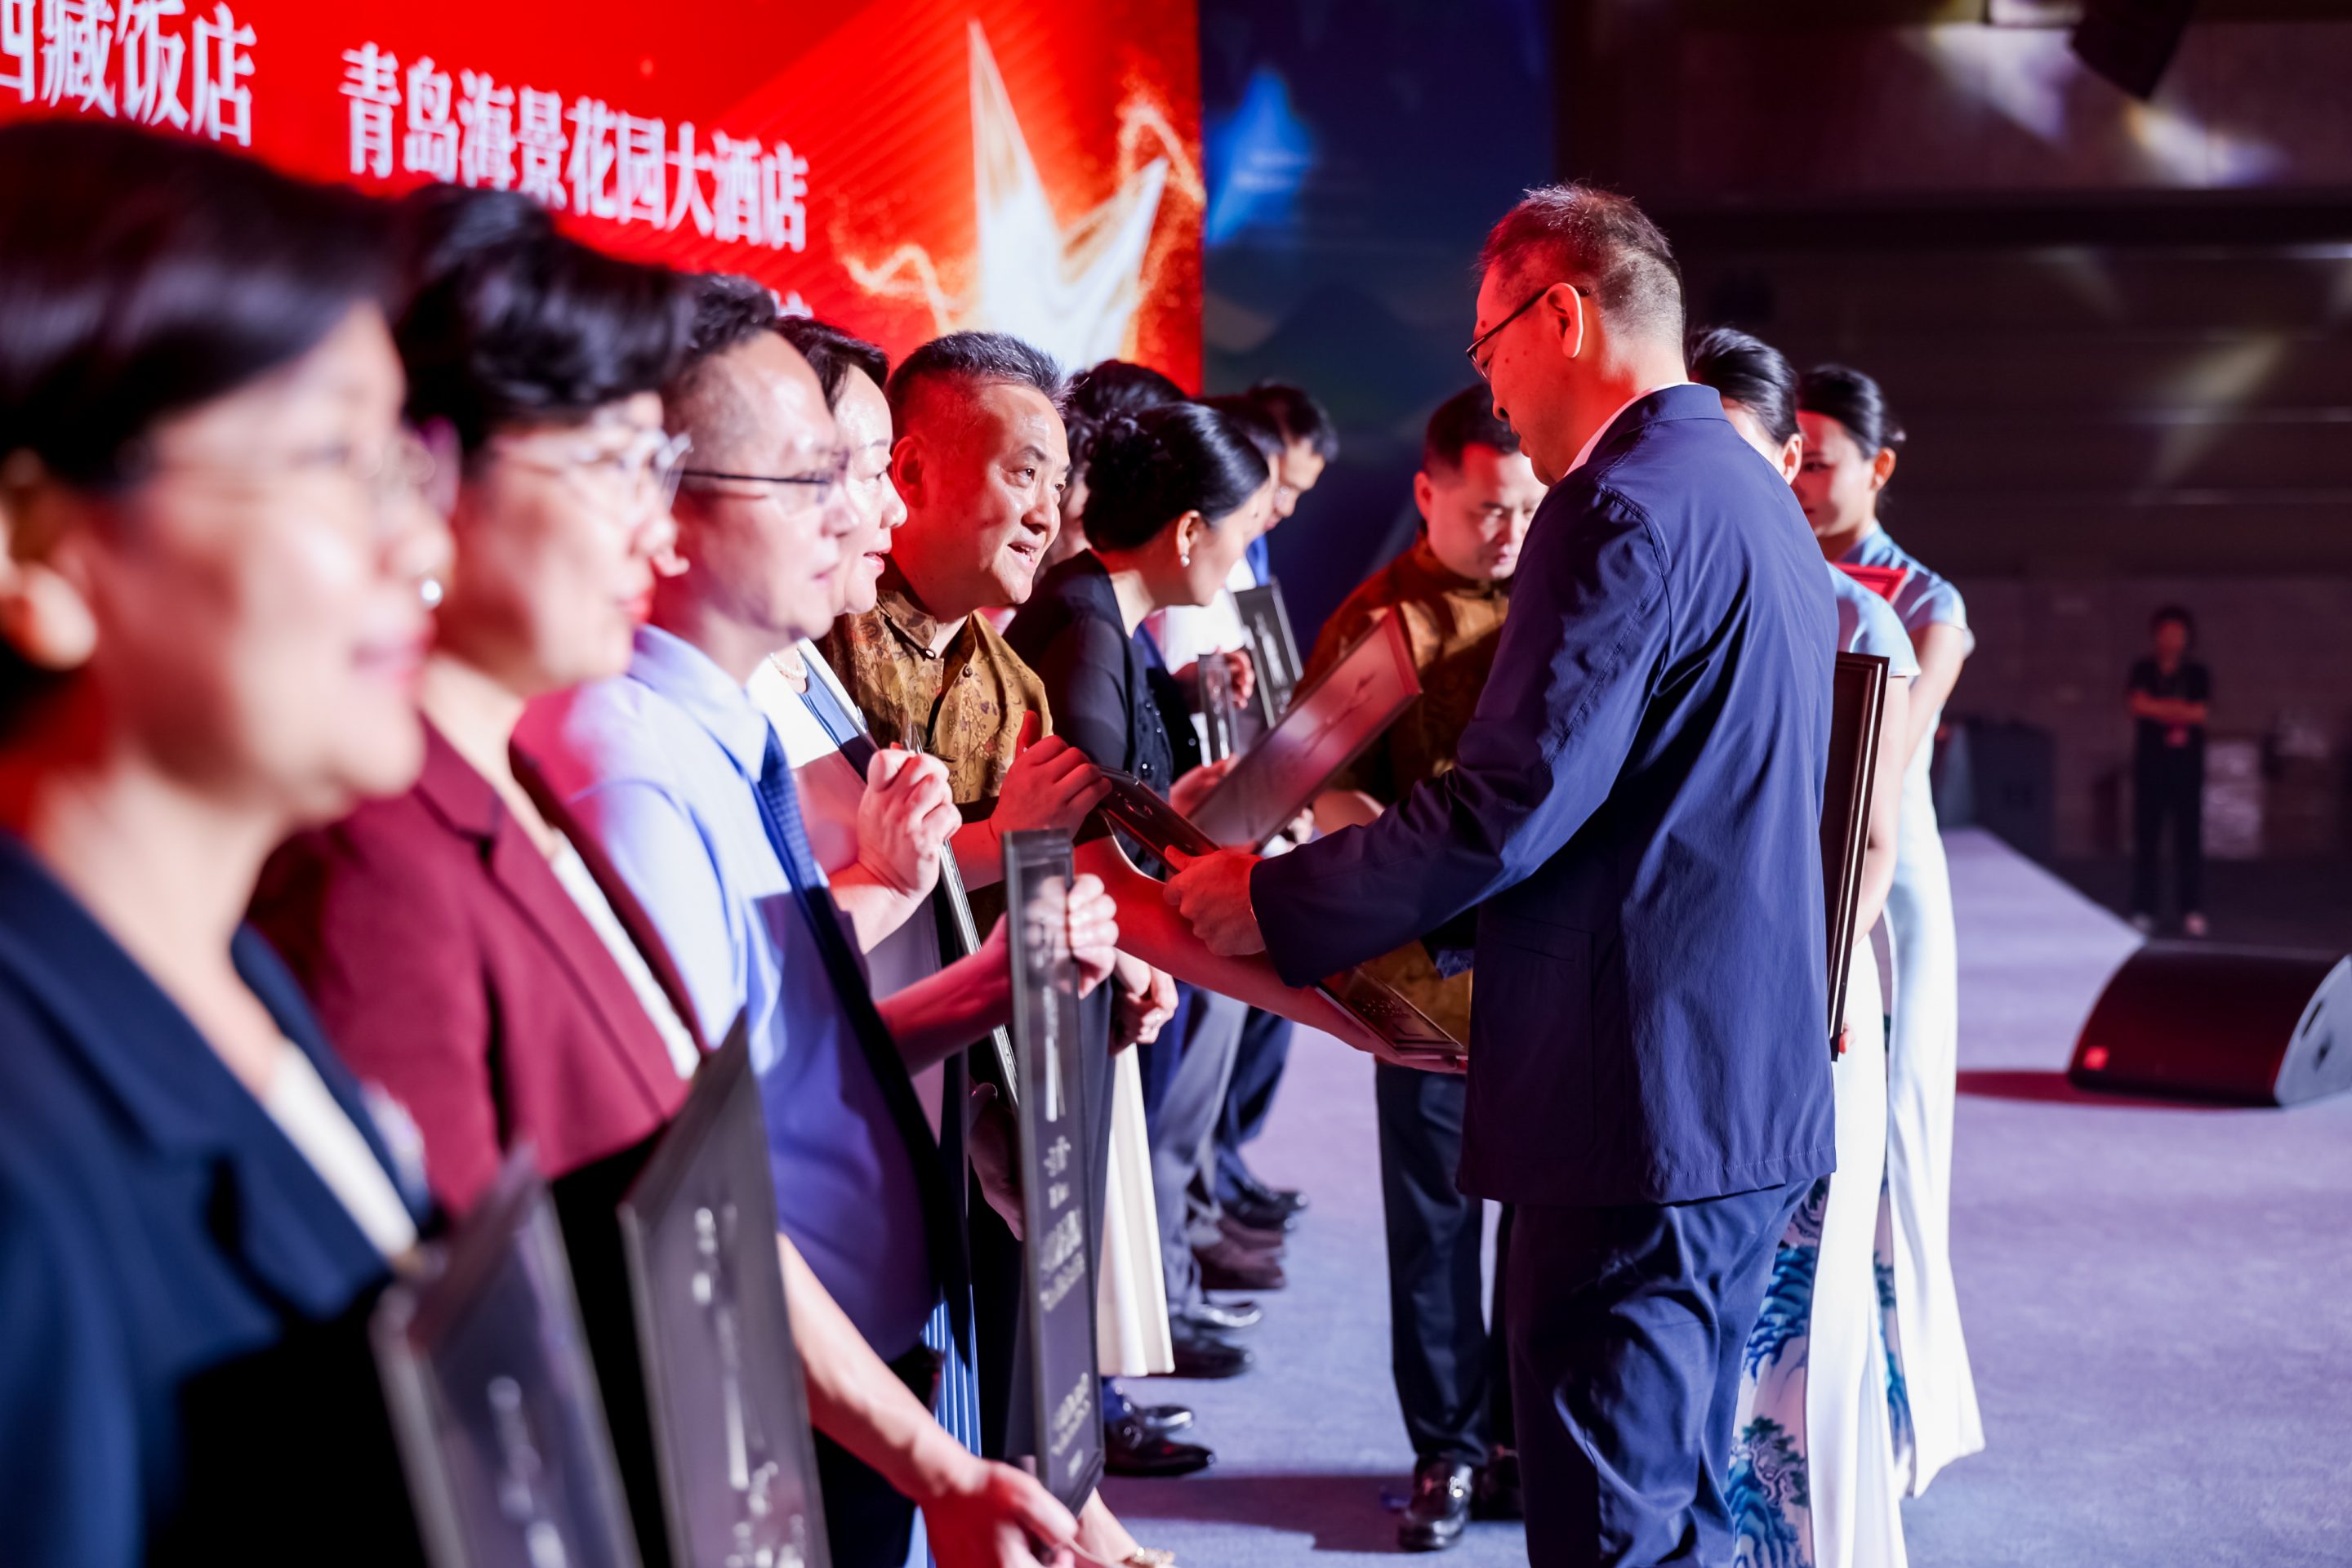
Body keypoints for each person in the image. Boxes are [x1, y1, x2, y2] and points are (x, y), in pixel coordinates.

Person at [1166, 184, 1838, 1568]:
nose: (1492, 387)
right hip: (1734, 1091)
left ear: (1565, 316)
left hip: (1634, 1104)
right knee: (1679, 1507)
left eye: (1490, 346)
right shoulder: (1751, 493)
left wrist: (1269, 898)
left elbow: (1505, 811)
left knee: (1608, 1523)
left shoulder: (1615, 505)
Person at [519, 295, 1107, 1568]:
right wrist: (930, 1459)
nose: (868, 512)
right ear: (663, 505)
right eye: (819, 476)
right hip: (771, 1391)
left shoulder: (728, 727)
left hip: (845, 1363)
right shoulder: (628, 770)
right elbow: (693, 1182)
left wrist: (999, 985)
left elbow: (782, 1058)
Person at [0, 121, 447, 1564]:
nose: (418, 546)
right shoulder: (20, 1178)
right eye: (331, 458)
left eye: (400, 463)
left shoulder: (220, 967)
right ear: (37, 547)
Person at [735, 305, 1167, 1566]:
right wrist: (1003, 852)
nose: (1048, 511)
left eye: (1058, 481)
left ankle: (1046, 1486)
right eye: (1022, 472)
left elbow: (1020, 864)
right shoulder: (810, 640)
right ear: (910, 471)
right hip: (836, 1093)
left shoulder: (1010, 677)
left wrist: (1112, 939)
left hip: (964, 1061)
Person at [253, 187, 707, 1214]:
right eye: (612, 464)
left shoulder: (514, 778)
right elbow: (465, 1280)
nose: (659, 530)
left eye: (657, 467)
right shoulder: (372, 859)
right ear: (429, 469)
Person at [1300, 385, 1544, 1551]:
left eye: (1528, 507)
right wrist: (1404, 852)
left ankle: (1521, 1439)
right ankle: (1446, 1448)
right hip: (1425, 976)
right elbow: (1321, 791)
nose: (1510, 531)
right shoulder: (1375, 620)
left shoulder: (1563, 590)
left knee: (1546, 1219)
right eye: (1488, 509)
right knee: (1436, 1221)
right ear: (1428, 494)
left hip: (1550, 962)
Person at [1004, 401, 1279, 1393]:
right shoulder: (1087, 627)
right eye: (1246, 533)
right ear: (1192, 531)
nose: (1241, 563)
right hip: (1073, 966)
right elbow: (1081, 843)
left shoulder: (1099, 612)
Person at [1692, 327, 1911, 1568]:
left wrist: (1810, 987)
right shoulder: (1676, 594)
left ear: (1785, 459)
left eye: (1736, 453)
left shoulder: (1857, 619)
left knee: (1801, 1300)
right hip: (1704, 998)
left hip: (1812, 996)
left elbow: (1871, 844)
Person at [1794, 363, 1984, 1496]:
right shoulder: (1771, 567)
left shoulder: (1923, 603)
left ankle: (1896, 1418)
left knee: (1892, 1148)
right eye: (1792, 457)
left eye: (1822, 461)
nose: (1802, 480)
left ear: (1880, 467)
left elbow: (1884, 755)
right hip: (1791, 876)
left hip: (1885, 896)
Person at [2126, 605, 2210, 937]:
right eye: (2166, 633)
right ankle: (2144, 907)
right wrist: (2176, 709)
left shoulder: (2197, 673)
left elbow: (2199, 713)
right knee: (2147, 840)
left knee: (2188, 841)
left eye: (2178, 633)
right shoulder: (2143, 669)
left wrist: (2159, 709)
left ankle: (2190, 908)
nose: (2172, 639)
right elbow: (2137, 705)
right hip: (2151, 768)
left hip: (2186, 768)